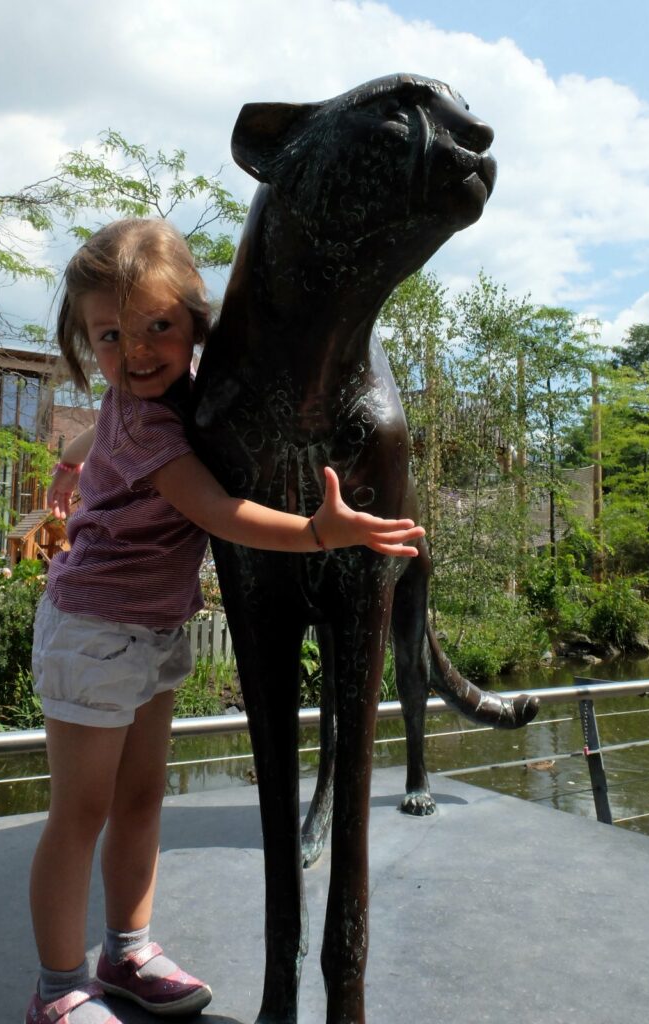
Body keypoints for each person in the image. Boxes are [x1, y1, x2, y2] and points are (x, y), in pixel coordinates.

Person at [27, 218, 424, 1024]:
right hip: (95, 629)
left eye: (157, 328)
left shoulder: (172, 395)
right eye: (110, 336)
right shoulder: (147, 420)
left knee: (140, 802)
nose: (135, 351)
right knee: (82, 812)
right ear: (84, 341)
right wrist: (319, 532)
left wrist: (69, 463)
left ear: (195, 323)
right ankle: (58, 986)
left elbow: (90, 427)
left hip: (154, 629)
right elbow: (215, 509)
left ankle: (127, 949)